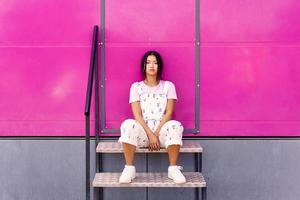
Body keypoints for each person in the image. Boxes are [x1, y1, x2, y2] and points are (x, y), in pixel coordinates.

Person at [118, 50, 186, 184]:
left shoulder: (168, 86)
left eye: (155, 62)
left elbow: (169, 112)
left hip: (162, 135)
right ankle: (129, 169)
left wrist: (156, 134)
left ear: (159, 66)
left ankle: (173, 169)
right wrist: (150, 135)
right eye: (148, 62)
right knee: (128, 124)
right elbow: (137, 115)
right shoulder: (136, 87)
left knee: (175, 125)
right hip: (143, 135)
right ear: (143, 66)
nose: (151, 65)